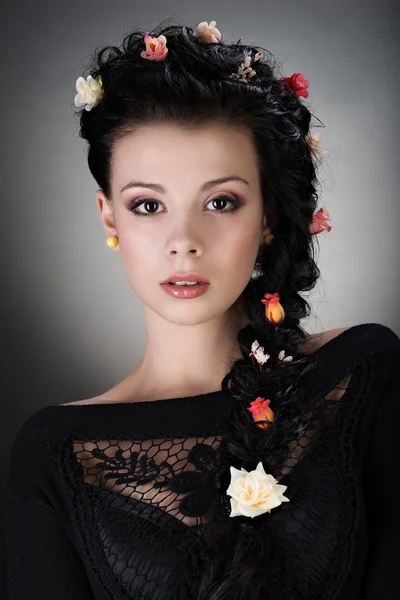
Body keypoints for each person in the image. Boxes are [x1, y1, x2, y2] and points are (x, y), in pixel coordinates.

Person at [5, 17, 400, 600]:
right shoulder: (57, 455)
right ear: (108, 215)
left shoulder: (365, 378)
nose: (183, 240)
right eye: (146, 205)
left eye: (220, 201)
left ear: (267, 214)